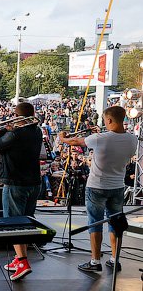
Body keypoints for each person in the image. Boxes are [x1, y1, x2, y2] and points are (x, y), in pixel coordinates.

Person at [59, 105, 136, 272]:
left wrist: (63, 138)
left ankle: (95, 261)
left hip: (97, 186)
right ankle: (115, 260)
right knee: (115, 223)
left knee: (95, 223)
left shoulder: (100, 138)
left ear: (108, 120)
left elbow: (74, 141)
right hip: (117, 186)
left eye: (105, 121)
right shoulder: (132, 140)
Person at [0, 102, 43, 281]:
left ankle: (22, 261)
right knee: (26, 223)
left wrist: (4, 130)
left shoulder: (14, 134)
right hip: (34, 182)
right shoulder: (37, 131)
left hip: (16, 183)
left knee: (13, 224)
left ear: (18, 117)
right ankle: (17, 258)